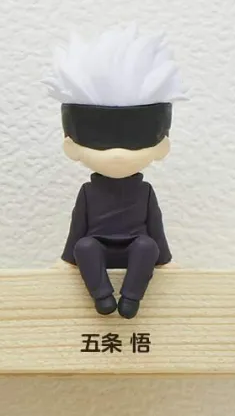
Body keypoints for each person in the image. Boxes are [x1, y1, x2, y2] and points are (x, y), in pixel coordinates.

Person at [43, 25, 187, 318]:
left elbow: (155, 228)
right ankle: (103, 298)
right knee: (84, 247)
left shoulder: (145, 192)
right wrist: (67, 259)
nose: (118, 154)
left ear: (162, 147)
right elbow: (77, 229)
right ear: (71, 147)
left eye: (133, 143)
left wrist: (165, 259)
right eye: (101, 142)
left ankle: (131, 299)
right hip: (99, 247)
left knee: (148, 247)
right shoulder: (88, 192)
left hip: (135, 247)